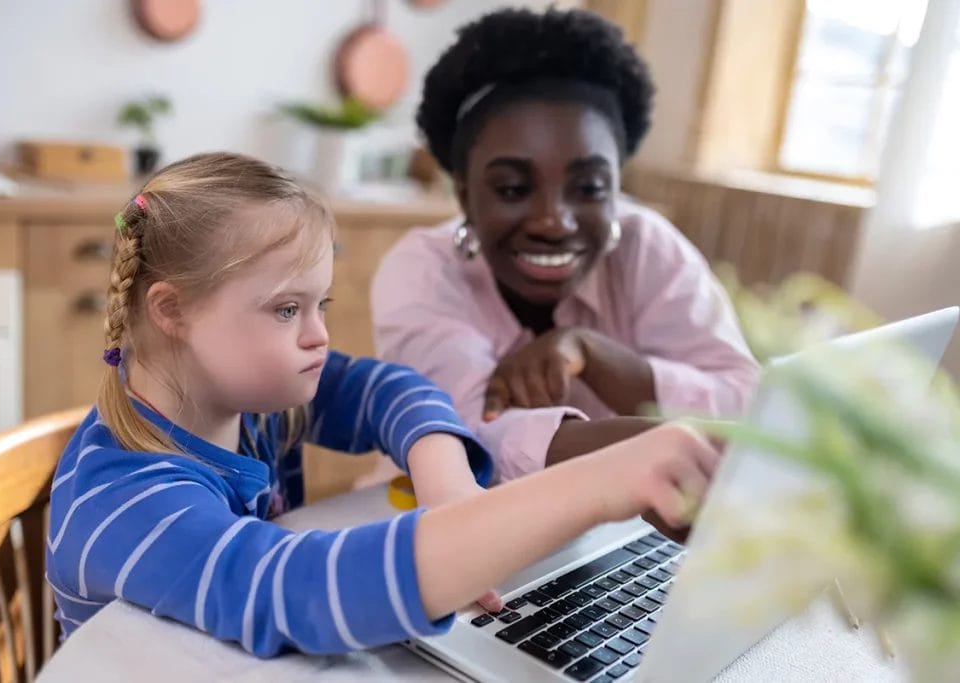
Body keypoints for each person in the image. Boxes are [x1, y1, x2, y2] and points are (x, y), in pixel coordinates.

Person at [46, 152, 721, 658]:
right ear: (173, 311)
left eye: (320, 304)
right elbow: (295, 589)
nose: (319, 335)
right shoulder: (124, 500)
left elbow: (387, 389)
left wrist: (446, 478)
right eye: (286, 309)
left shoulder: (244, 396)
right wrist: (596, 483)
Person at [372, 7, 759, 482]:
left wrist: (598, 357)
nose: (553, 222)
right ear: (465, 195)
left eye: (590, 187)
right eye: (513, 188)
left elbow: (745, 399)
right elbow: (468, 439)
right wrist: (673, 447)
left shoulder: (647, 247)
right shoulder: (421, 271)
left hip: (623, 527)